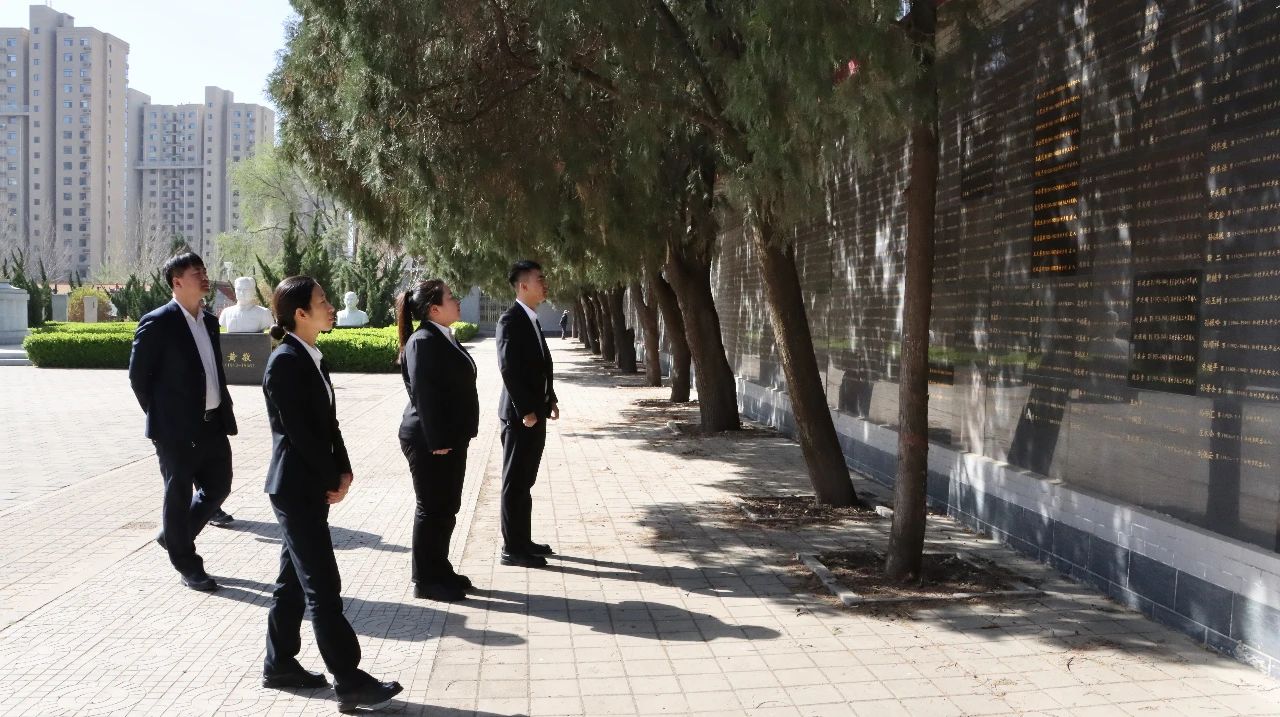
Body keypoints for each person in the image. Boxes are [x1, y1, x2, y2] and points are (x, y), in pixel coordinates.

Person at [260, 276, 402, 711]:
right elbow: (301, 434)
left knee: (293, 581)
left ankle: (279, 664)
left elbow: (328, 425)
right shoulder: (285, 362)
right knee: (322, 586)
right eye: (322, 301)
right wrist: (329, 478)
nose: (331, 306)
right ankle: (349, 679)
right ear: (300, 313)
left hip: (308, 484)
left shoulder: (311, 357)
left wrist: (344, 468)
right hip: (296, 489)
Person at [128, 252, 238, 592]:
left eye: (204, 270)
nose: (204, 276)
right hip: (175, 430)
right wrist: (163, 417)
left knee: (219, 487)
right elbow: (138, 377)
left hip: (212, 423)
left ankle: (174, 536)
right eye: (196, 272)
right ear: (177, 282)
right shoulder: (158, 322)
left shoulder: (209, 321)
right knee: (177, 496)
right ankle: (187, 564)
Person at [396, 280, 479, 602]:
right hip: (430, 439)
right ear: (434, 309)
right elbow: (424, 393)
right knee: (432, 508)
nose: (457, 301)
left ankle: (440, 569)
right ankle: (425, 579)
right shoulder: (423, 341)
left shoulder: (443, 336)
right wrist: (437, 438)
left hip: (448, 436)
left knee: (447, 507)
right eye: (450, 297)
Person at [495, 260, 559, 568]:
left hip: (536, 412)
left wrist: (550, 398)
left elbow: (539, 365)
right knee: (514, 482)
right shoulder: (510, 320)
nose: (544, 284)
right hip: (521, 417)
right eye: (539, 279)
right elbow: (508, 368)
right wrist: (526, 410)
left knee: (525, 481)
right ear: (523, 285)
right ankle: (512, 548)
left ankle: (524, 540)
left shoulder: (530, 319)